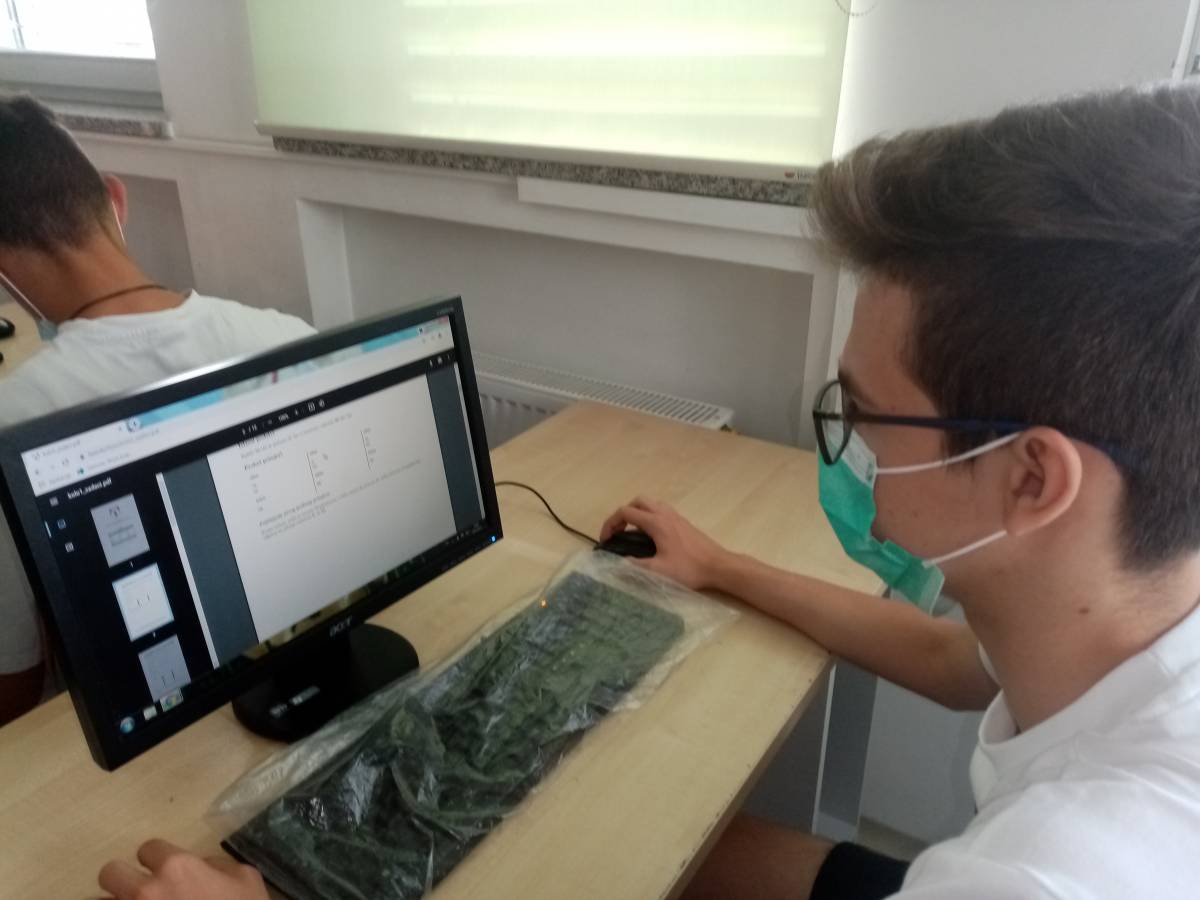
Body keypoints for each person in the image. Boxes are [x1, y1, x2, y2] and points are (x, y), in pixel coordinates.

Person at [95, 83, 1200, 899]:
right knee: (624, 855)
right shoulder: (1123, 608)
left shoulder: (1058, 873)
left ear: (1033, 479)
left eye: (863, 410)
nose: (844, 440)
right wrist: (722, 567)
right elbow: (962, 665)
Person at [0, 96, 315, 726]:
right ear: (117, 199)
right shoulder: (290, 337)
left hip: (138, 730)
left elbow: (16, 680)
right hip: (299, 671)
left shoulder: (14, 421)